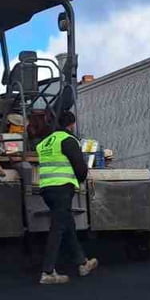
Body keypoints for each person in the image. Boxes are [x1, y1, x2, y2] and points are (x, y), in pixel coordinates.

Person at [37, 111, 98, 285]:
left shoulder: (44, 143)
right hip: (62, 188)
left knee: (68, 224)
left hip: (47, 188)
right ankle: (47, 272)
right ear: (71, 125)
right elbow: (80, 166)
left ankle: (82, 263)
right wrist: (81, 179)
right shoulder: (68, 140)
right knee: (58, 228)